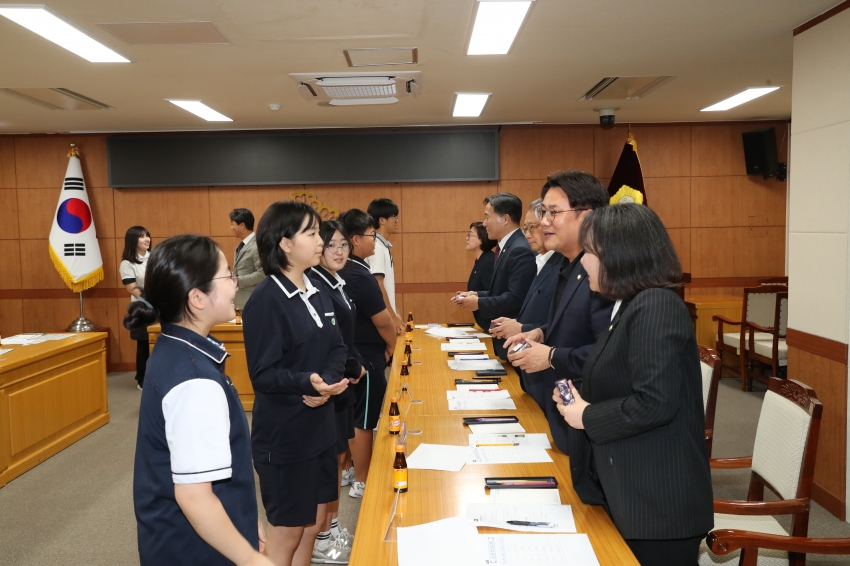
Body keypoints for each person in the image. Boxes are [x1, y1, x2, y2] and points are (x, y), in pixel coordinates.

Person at [553, 203, 713, 565]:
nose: (583, 263)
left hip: (658, 506)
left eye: (591, 253)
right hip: (628, 489)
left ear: (619, 257)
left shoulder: (656, 305)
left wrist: (586, 415)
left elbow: (655, 402)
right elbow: (623, 378)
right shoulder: (629, 305)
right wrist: (577, 396)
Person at [126, 234, 271, 566]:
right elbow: (194, 497)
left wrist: (244, 519)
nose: (236, 283)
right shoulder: (193, 380)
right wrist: (250, 558)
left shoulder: (175, 347)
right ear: (197, 298)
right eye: (227, 275)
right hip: (194, 549)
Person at [242, 201, 349, 566]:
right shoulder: (267, 299)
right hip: (285, 435)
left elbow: (337, 347)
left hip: (320, 428)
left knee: (313, 523)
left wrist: (327, 383)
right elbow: (262, 374)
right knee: (287, 531)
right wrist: (309, 382)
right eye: (312, 233)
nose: (322, 241)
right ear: (285, 244)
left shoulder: (316, 288)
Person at [504, 171, 613, 452]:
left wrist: (550, 356)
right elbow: (573, 328)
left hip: (593, 424)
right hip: (563, 413)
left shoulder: (602, 274)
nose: (543, 222)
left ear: (587, 216)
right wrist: (540, 333)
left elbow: (611, 355)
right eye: (544, 212)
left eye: (553, 212)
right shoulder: (566, 266)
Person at [308, 219, 363, 563]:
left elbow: (345, 338)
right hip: (330, 385)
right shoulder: (317, 284)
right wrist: (348, 366)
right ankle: (322, 536)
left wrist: (353, 362)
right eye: (331, 245)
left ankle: (333, 525)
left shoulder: (336, 281)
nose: (339, 251)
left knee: (338, 459)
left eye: (344, 244)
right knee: (328, 464)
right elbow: (328, 342)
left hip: (342, 383)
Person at [338, 209, 398, 499]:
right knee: (364, 420)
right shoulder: (360, 274)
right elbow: (382, 319)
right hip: (366, 357)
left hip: (351, 355)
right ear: (355, 239)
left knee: (351, 414)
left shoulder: (342, 269)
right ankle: (362, 480)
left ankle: (350, 470)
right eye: (371, 235)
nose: (375, 240)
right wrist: (391, 346)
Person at [490, 199, 562, 403]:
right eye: (525, 228)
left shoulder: (561, 266)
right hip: (532, 372)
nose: (527, 234)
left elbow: (559, 323)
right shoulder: (541, 261)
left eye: (532, 227)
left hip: (549, 373)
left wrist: (522, 328)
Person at [452, 193, 536, 359]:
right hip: (504, 339)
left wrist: (479, 303)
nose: (484, 223)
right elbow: (500, 289)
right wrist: (477, 294)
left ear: (505, 219)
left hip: (515, 339)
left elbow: (516, 298)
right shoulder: (506, 247)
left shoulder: (519, 249)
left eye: (487, 217)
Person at [365, 198, 404, 334]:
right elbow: (378, 284)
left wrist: (396, 312)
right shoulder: (375, 247)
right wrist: (392, 317)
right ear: (382, 220)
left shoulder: (383, 246)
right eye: (394, 217)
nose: (397, 221)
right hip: (381, 320)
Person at [119, 225, 152, 390]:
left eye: (147, 235)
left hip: (158, 305)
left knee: (157, 341)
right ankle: (142, 379)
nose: (147, 239)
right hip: (142, 307)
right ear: (133, 240)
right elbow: (132, 287)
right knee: (144, 343)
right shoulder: (127, 263)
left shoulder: (154, 257)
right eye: (142, 236)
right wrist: (150, 300)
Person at [465, 221, 497, 330]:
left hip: (493, 325)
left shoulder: (488, 261)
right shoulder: (480, 260)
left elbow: (493, 294)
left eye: (470, 235)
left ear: (481, 239)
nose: (466, 238)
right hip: (484, 324)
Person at [230, 208, 265, 309]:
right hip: (241, 302)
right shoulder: (241, 246)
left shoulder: (257, 246)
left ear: (242, 225)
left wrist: (237, 281)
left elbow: (262, 275)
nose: (231, 227)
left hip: (251, 301)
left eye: (233, 224)